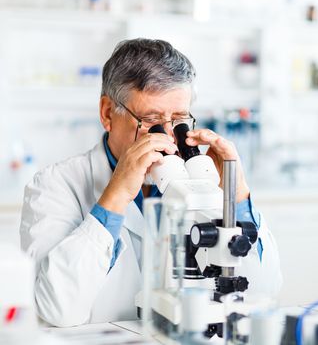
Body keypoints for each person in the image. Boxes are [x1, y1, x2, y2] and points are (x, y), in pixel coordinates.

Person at [20, 38, 282, 327]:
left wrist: (236, 195)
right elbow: (57, 310)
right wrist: (116, 195)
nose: (169, 137)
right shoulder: (55, 186)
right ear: (108, 113)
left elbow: (263, 291)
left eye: (180, 120)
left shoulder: (195, 185)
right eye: (151, 121)